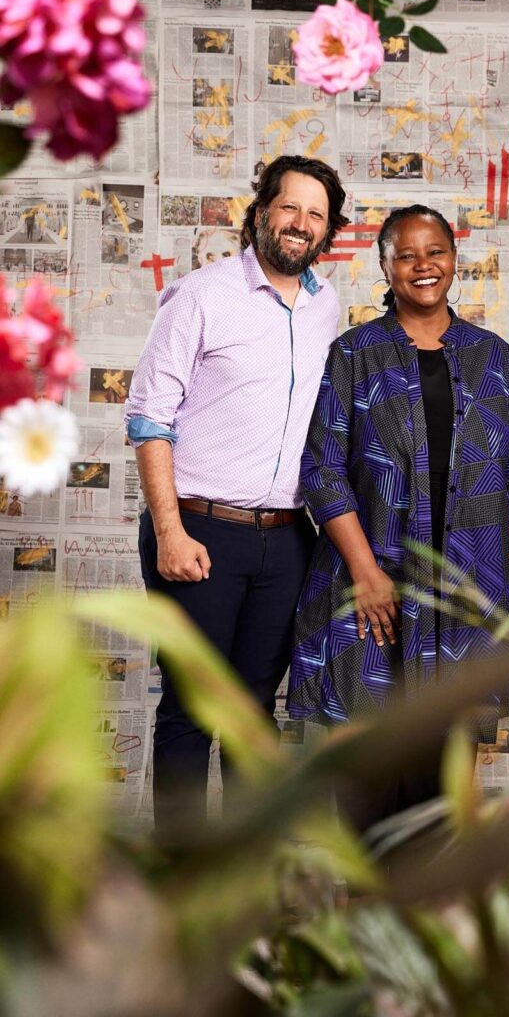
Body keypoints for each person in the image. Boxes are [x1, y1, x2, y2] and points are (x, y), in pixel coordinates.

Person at [288, 204, 509, 829]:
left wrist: (497, 576)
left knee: (444, 769)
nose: (422, 266)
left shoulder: (492, 356)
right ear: (385, 266)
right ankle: (364, 915)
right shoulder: (355, 354)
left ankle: (427, 916)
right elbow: (322, 468)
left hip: (462, 599)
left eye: (435, 252)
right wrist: (368, 574)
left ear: (454, 260)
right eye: (406, 254)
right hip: (373, 588)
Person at [124, 155, 348, 835]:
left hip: (286, 539)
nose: (300, 223)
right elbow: (148, 417)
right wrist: (168, 531)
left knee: (255, 713)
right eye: (289, 207)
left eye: (315, 214)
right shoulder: (200, 295)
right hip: (198, 529)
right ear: (260, 212)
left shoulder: (326, 306)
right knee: (191, 711)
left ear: (328, 229)